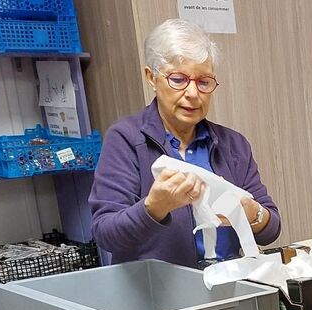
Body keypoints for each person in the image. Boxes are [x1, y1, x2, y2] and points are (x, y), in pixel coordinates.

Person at [90, 19, 280, 267]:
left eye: (204, 82)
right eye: (178, 80)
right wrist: (153, 208)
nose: (193, 93)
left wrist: (251, 213)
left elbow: (271, 228)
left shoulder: (232, 144)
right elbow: (106, 234)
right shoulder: (126, 139)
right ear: (151, 78)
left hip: (226, 286)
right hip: (157, 296)